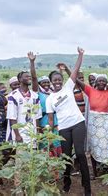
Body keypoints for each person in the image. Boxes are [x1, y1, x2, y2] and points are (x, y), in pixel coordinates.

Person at [45, 47, 91, 195]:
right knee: (66, 156)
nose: (57, 82)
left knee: (80, 153)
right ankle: (67, 182)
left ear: (62, 80)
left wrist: (80, 55)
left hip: (77, 123)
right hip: (63, 128)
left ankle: (87, 186)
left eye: (59, 79)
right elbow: (51, 119)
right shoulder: (50, 99)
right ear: (51, 82)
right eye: (54, 80)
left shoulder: (68, 87)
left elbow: (76, 70)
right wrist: (50, 135)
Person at [75, 71, 108, 178]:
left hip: (105, 121)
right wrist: (68, 70)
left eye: (103, 81)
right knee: (94, 145)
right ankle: (94, 172)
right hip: (93, 123)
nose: (101, 82)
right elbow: (77, 81)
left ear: (106, 83)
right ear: (96, 82)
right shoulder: (90, 91)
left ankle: (107, 168)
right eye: (99, 80)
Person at [28, 52, 62, 157]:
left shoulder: (53, 92)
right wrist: (32, 62)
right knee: (46, 147)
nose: (46, 84)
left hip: (56, 122)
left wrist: (61, 70)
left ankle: (57, 170)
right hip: (44, 123)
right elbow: (34, 78)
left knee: (57, 147)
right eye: (44, 83)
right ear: (39, 84)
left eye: (48, 82)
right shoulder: (38, 93)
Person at [7, 70, 42, 147]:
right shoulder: (13, 96)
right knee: (21, 156)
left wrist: (38, 133)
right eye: (26, 76)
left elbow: (37, 117)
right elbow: (12, 117)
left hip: (32, 132)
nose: (29, 77)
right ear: (20, 79)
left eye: (29, 76)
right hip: (20, 133)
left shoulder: (35, 96)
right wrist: (17, 135)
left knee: (32, 155)